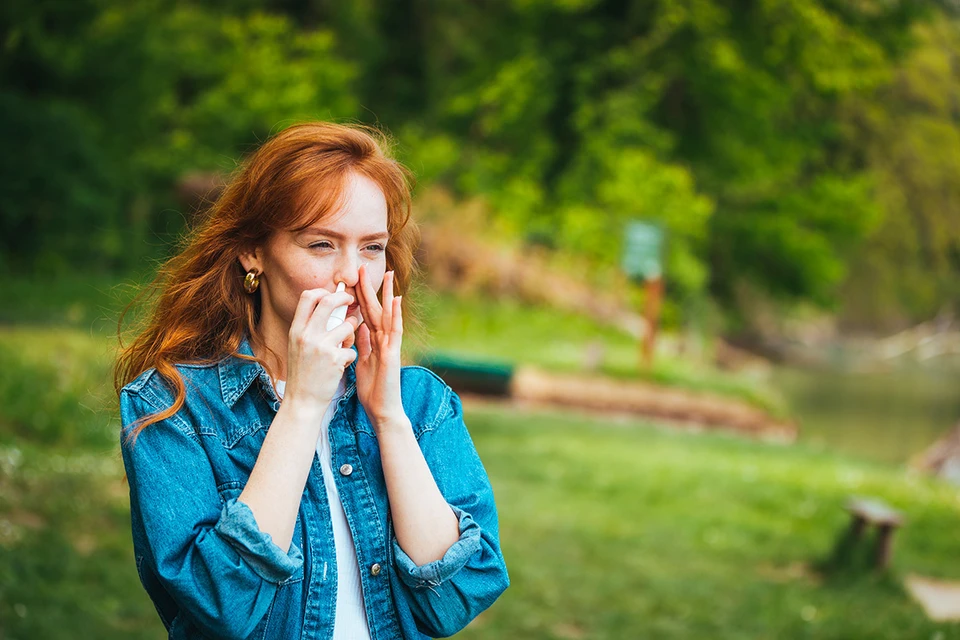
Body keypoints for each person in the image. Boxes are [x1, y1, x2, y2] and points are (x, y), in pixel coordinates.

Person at [114, 122, 509, 639]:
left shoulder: (420, 402)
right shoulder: (173, 405)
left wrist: (388, 416)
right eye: (321, 244)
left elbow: (458, 597)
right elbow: (222, 604)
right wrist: (301, 404)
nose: (351, 273)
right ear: (253, 253)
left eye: (372, 248)